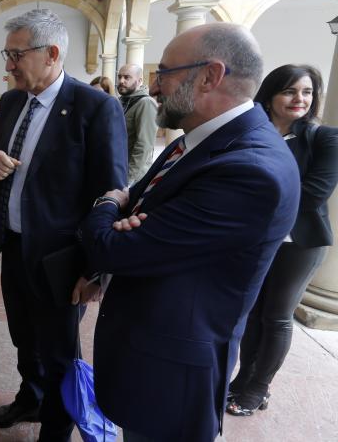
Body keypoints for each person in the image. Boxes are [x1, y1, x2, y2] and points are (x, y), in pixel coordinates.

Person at [78, 23, 300, 441]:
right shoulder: (199, 141)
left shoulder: (250, 169)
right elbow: (137, 202)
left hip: (171, 375)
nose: (155, 86)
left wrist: (107, 205)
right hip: (148, 354)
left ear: (209, 76)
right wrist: (124, 215)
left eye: (164, 72)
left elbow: (111, 246)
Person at [0, 9, 127, 441]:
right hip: (14, 245)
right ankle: (30, 398)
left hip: (62, 258)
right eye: (7, 54)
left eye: (15, 54)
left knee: (60, 350)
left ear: (52, 53)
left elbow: (111, 194)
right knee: (24, 336)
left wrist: (94, 269)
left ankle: (56, 431)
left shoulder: (95, 108)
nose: (8, 65)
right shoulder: (10, 101)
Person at [227, 64, 338, 416]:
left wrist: (252, 197)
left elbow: (312, 195)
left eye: (306, 92)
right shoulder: (252, 132)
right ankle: (243, 381)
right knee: (253, 312)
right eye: (289, 91)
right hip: (256, 239)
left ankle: (257, 390)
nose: (299, 99)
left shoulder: (325, 139)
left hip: (300, 243)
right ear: (271, 95)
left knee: (276, 315)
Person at [117, 63, 158, 183]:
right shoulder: (122, 101)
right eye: (119, 77)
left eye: (127, 77)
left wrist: (128, 180)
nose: (121, 81)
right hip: (119, 170)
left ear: (140, 81)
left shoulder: (146, 103)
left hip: (133, 178)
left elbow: (144, 145)